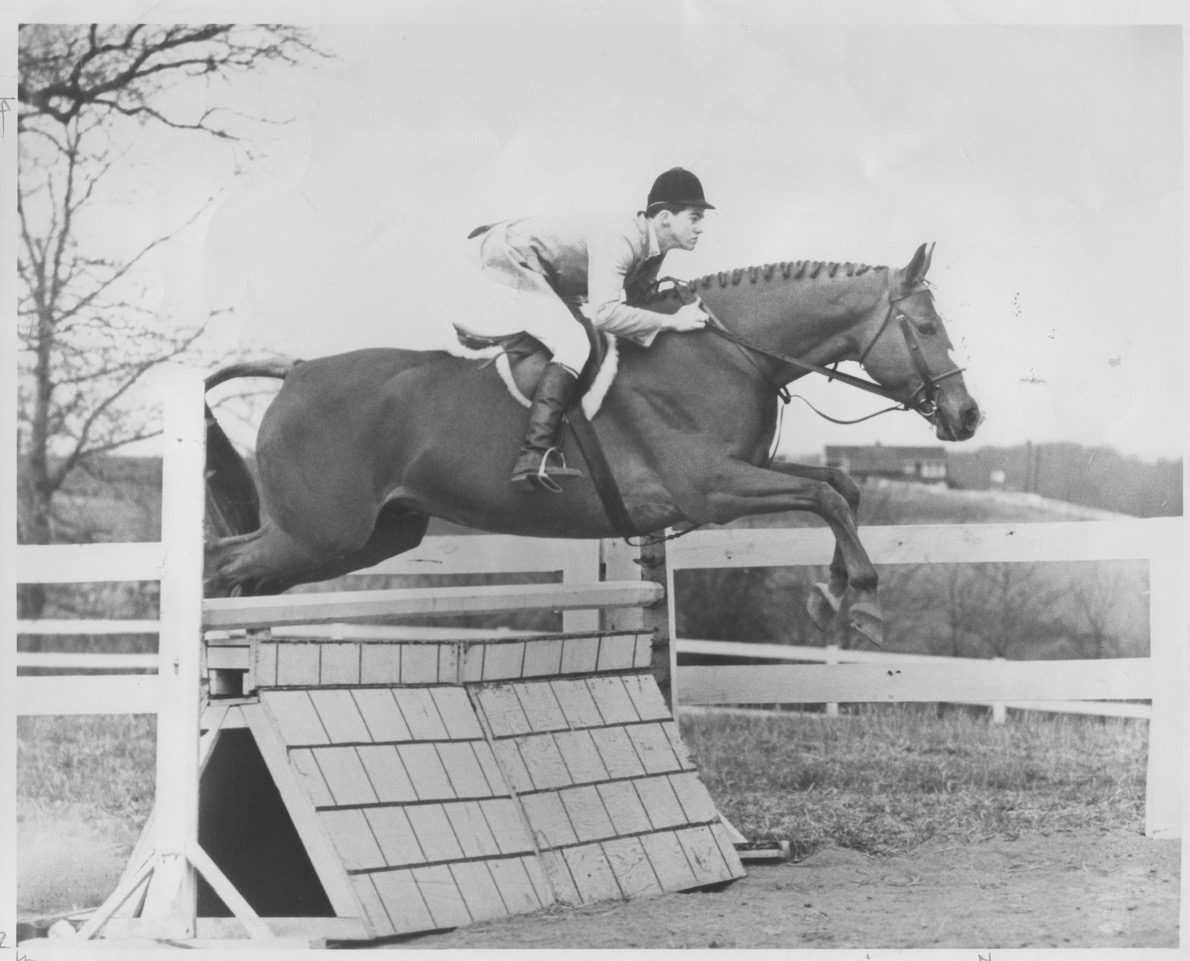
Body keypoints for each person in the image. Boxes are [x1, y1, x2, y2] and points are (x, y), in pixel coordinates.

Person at [463, 167, 714, 492]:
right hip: (506, 258)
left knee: (591, 337)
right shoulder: (622, 238)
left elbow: (638, 310)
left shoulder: (654, 250)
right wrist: (672, 321)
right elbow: (607, 314)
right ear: (666, 217)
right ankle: (534, 454)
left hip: (547, 271)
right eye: (694, 217)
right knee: (574, 344)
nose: (701, 228)